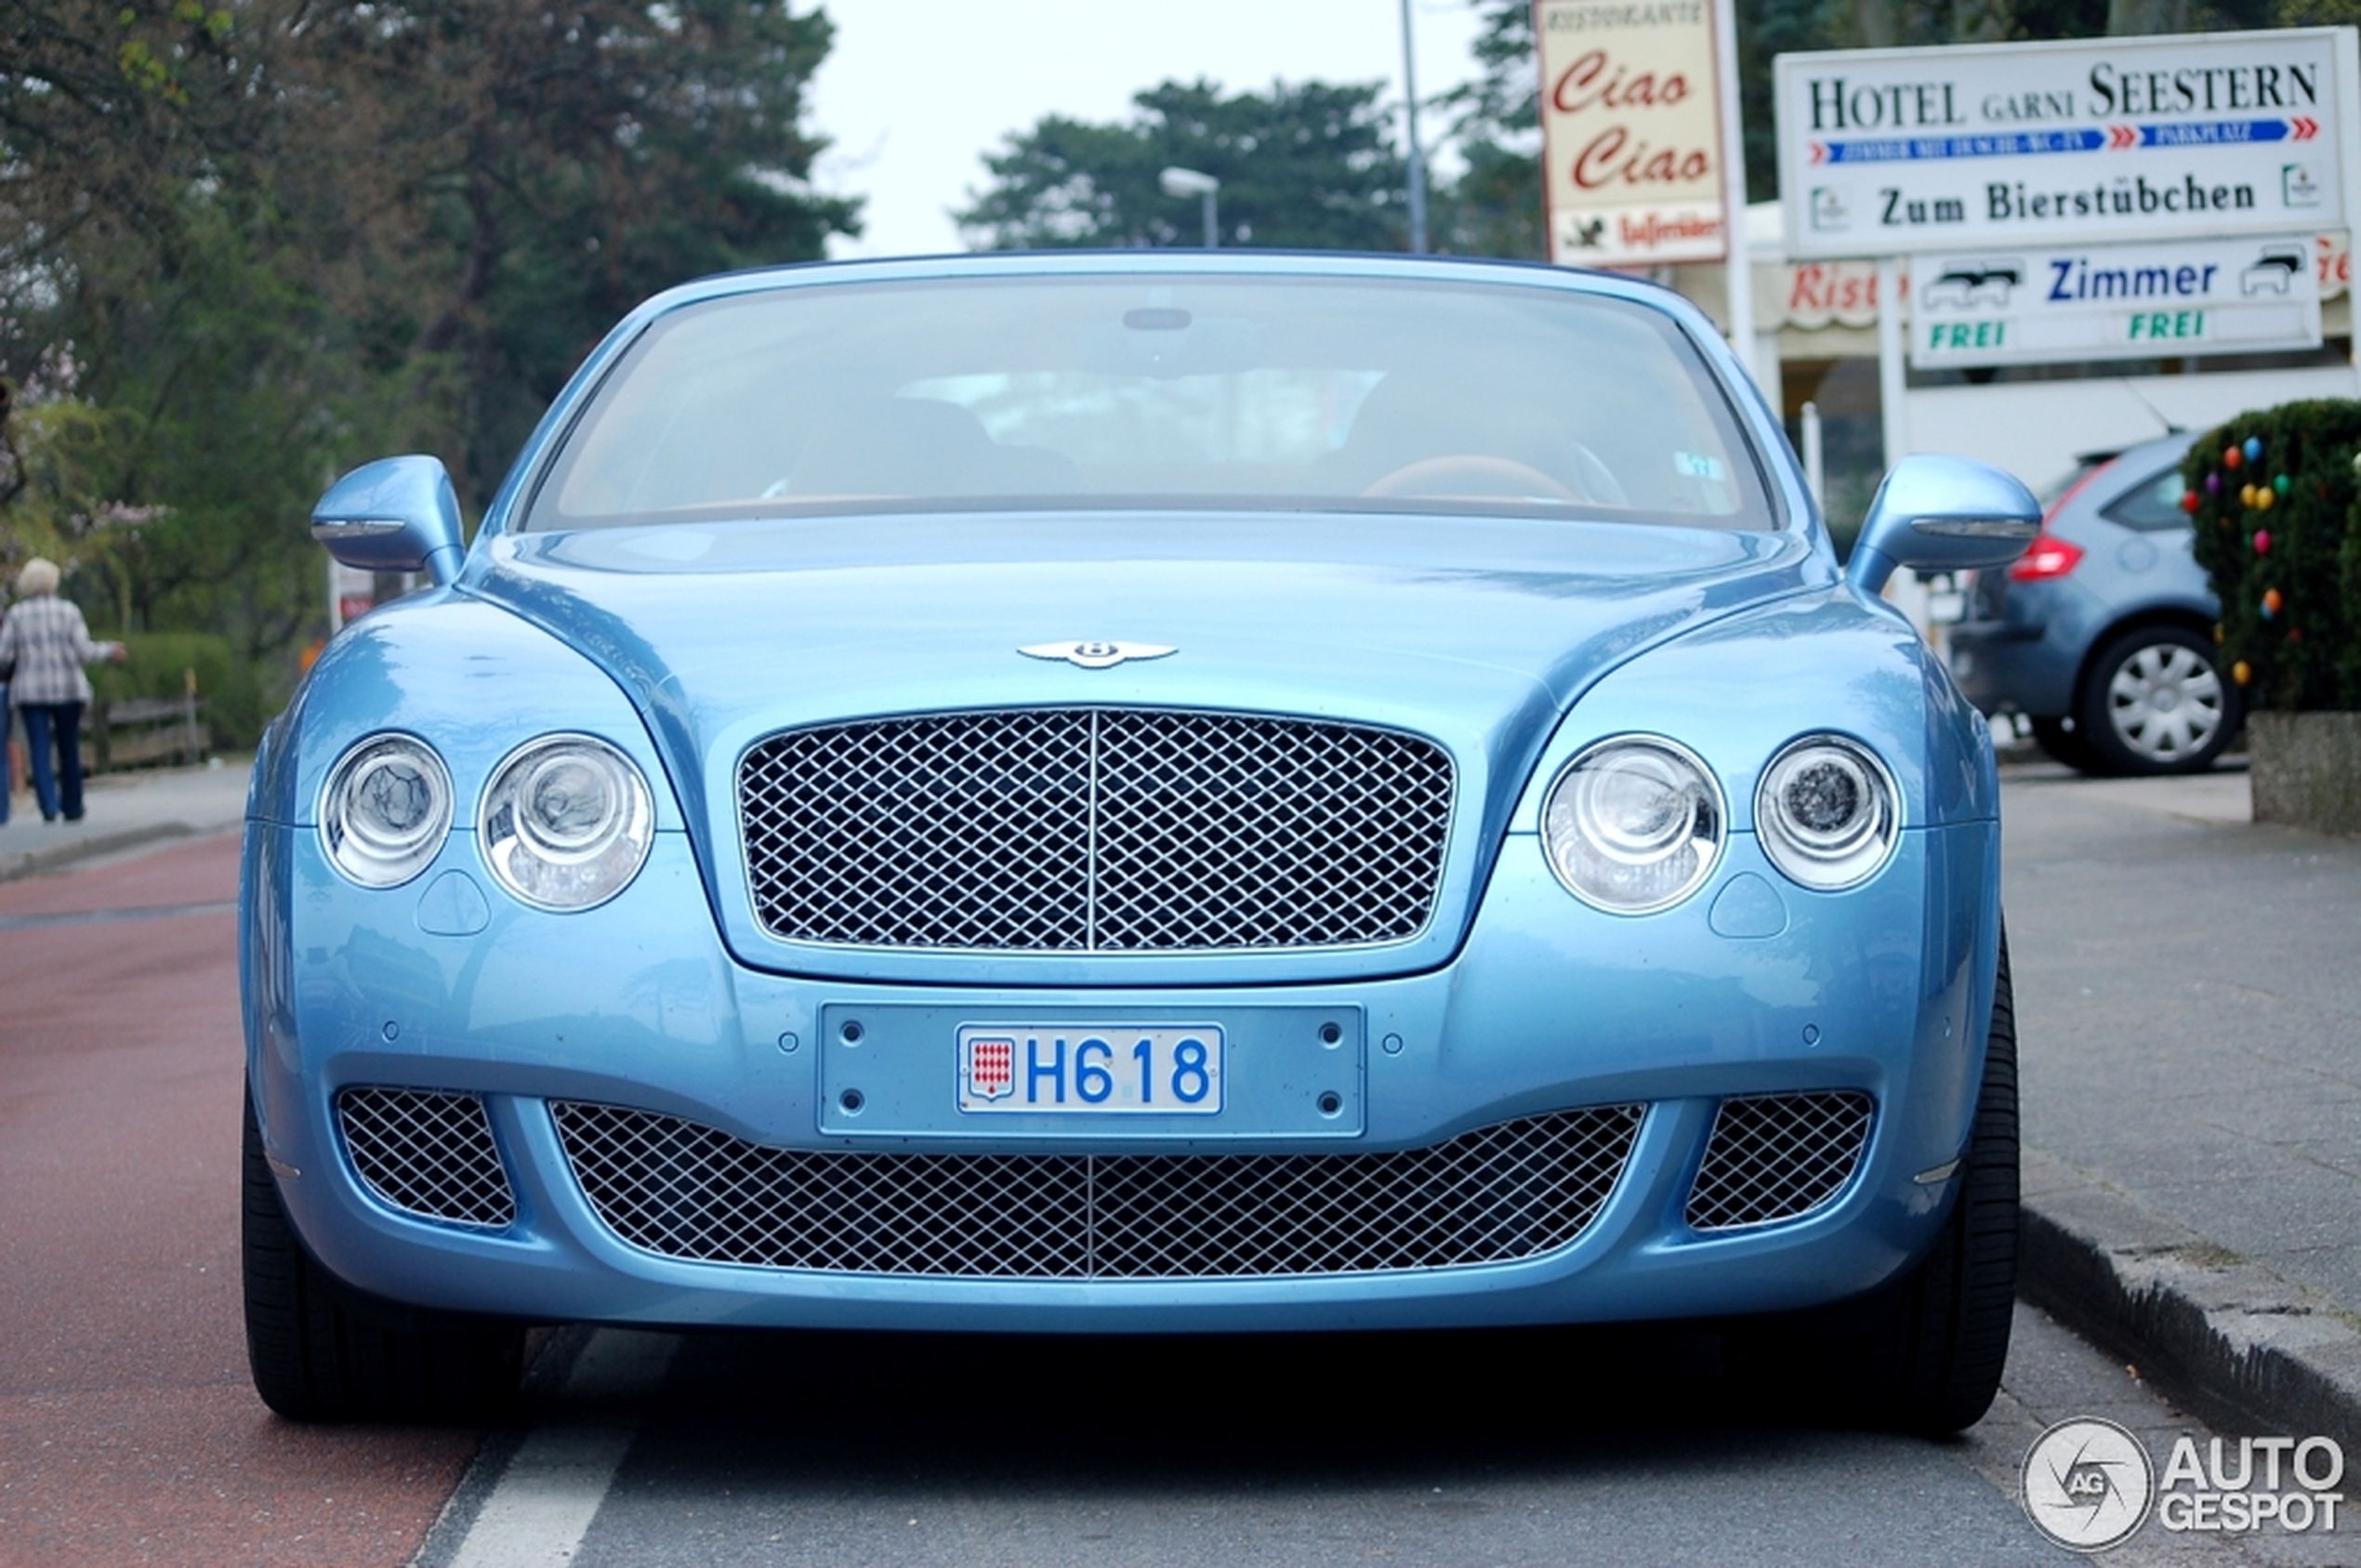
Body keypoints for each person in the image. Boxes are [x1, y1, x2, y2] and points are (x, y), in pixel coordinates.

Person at [0, 559, 126, 824]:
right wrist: (109, 650)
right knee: (69, 748)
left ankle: (48, 805)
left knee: (39, 747)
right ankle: (73, 805)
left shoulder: (17, 614)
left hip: (30, 691)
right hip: (67, 688)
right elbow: (84, 650)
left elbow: (4, 654)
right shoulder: (69, 611)